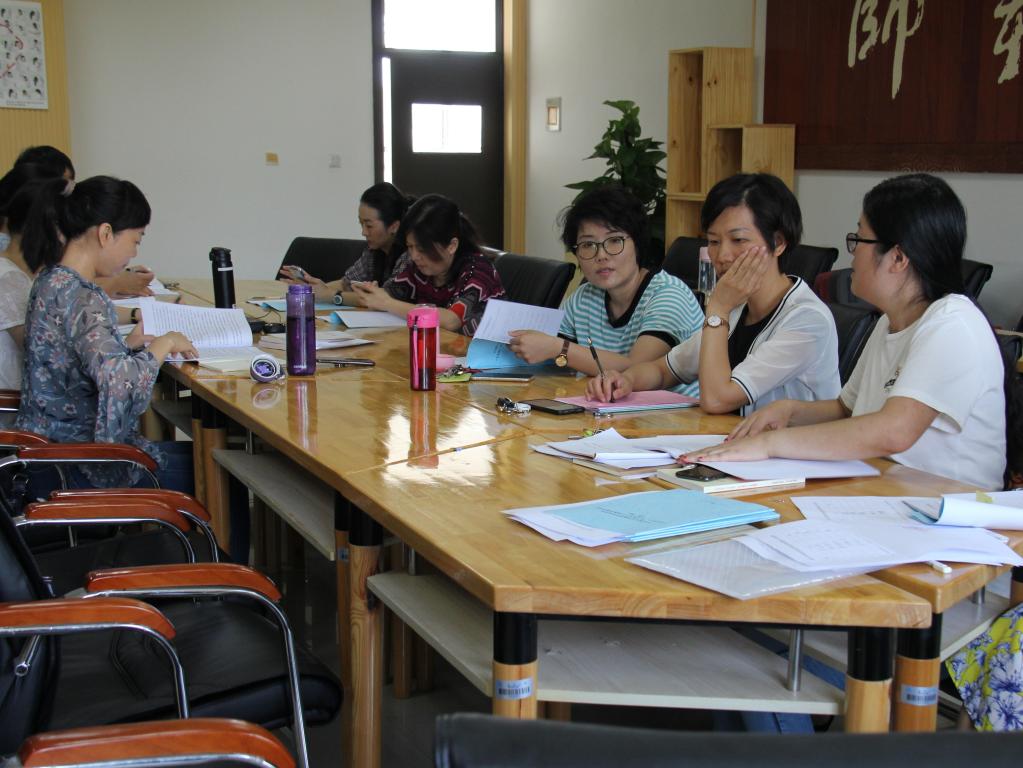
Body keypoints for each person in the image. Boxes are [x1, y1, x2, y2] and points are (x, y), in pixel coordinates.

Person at [686, 173, 1013, 492]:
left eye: (859, 240)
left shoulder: (952, 324)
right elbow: (846, 408)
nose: (851, 253)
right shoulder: (890, 320)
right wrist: (790, 410)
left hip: (950, 510)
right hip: (886, 490)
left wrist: (771, 444)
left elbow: (893, 431)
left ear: (898, 257)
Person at [587, 174, 839, 414]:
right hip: (731, 441)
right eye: (714, 242)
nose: (722, 256)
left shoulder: (806, 319)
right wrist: (626, 380)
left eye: (738, 240)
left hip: (787, 445)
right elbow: (664, 370)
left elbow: (717, 400)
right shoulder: (739, 307)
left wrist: (718, 309)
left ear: (779, 242)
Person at [16, 175, 198, 491]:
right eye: (135, 240)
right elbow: (118, 382)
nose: (134, 253)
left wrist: (127, 346)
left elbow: (78, 364)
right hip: (75, 464)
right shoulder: (84, 296)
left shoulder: (50, 280)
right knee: (218, 473)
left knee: (202, 459)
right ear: (105, 233)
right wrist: (164, 343)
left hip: (44, 455)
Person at [508, 185, 703, 385]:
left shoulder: (669, 295)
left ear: (637, 244)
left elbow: (637, 370)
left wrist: (558, 348)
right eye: (587, 245)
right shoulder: (583, 298)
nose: (601, 255)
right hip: (600, 402)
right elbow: (553, 357)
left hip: (674, 406)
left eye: (614, 240)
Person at [352, 193, 505, 335]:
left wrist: (386, 303)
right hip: (439, 349)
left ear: (452, 246)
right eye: (410, 247)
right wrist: (373, 294)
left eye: (422, 249)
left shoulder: (478, 270)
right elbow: (391, 295)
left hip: (482, 353)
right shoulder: (417, 270)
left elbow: (451, 320)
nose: (414, 256)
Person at [278, 182, 412, 306]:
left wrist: (330, 295)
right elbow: (346, 283)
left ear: (394, 226)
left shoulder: (409, 254)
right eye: (361, 224)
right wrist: (312, 289)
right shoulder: (374, 251)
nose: (363, 232)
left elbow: (384, 299)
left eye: (369, 226)